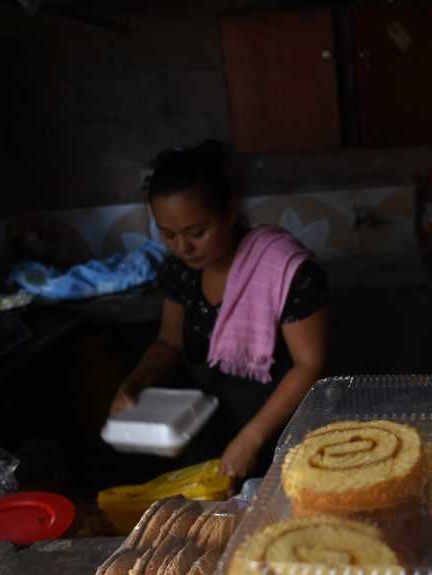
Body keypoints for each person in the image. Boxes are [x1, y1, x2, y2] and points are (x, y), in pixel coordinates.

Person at [110, 141, 329, 480]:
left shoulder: (284, 269)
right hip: (207, 426)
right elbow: (169, 343)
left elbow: (309, 364)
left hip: (284, 430)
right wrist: (135, 383)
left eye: (197, 232)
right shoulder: (182, 272)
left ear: (229, 213)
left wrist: (251, 439)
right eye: (169, 234)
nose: (184, 247)